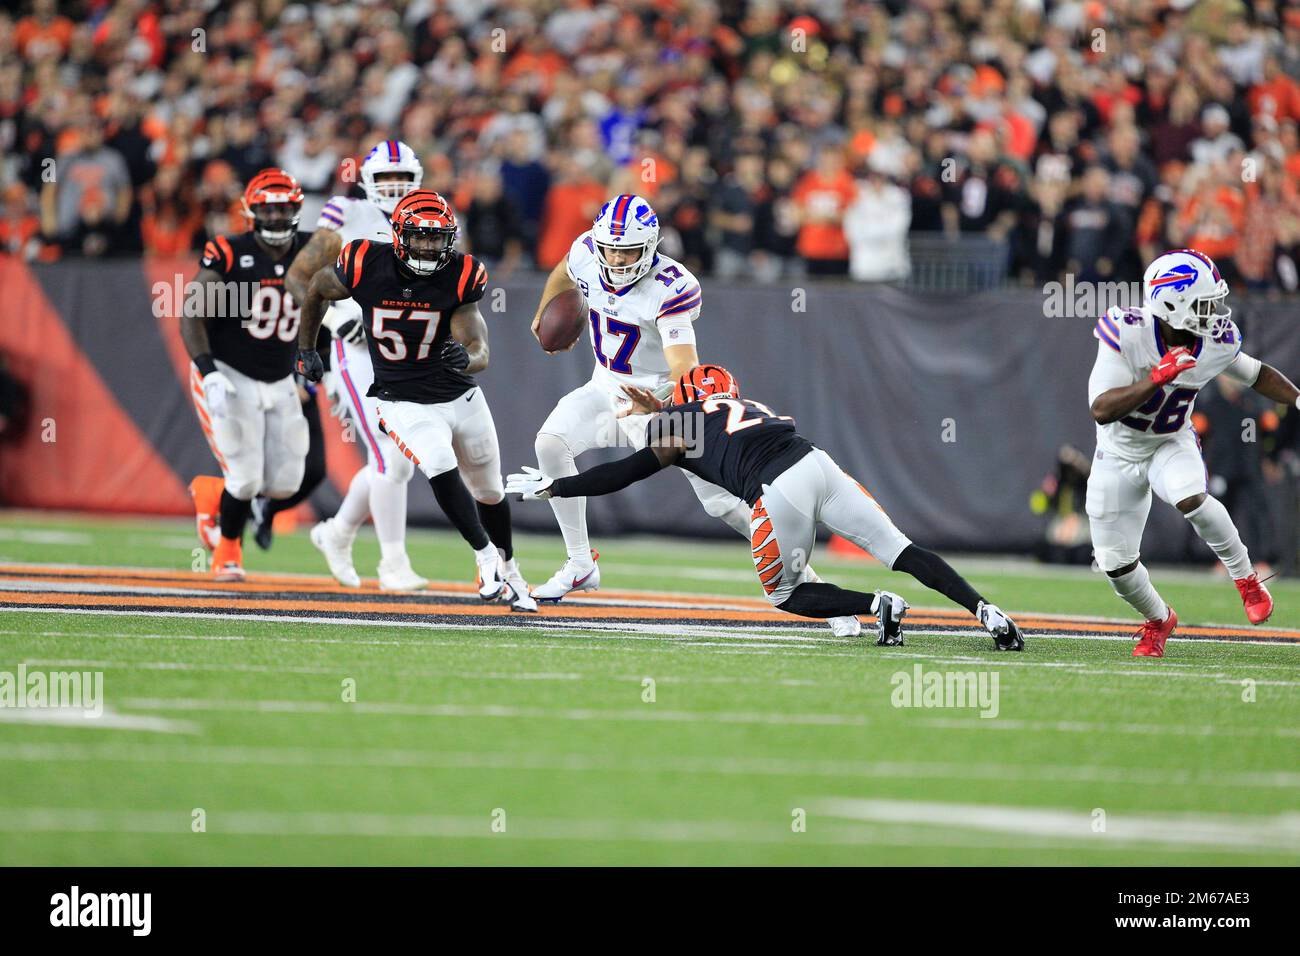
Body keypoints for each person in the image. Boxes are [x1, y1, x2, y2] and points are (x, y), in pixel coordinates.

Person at [527, 193, 862, 637]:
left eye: (629, 249)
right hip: (605, 386)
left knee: (724, 503)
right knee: (549, 444)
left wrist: (667, 408)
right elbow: (563, 271)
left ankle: (822, 596)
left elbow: (684, 364)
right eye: (612, 248)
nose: (618, 258)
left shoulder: (671, 285)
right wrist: (543, 315)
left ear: (651, 247)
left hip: (663, 396)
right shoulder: (588, 250)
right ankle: (580, 563)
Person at [506, 365, 1025, 651]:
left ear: (681, 396)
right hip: (818, 462)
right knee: (901, 548)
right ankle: (985, 610)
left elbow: (625, 472)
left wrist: (558, 487)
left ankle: (875, 607)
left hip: (778, 489)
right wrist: (665, 410)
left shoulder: (678, 422)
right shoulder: (747, 406)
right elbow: (704, 419)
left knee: (784, 594)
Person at [295, 189, 534, 611]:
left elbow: (479, 345)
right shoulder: (365, 261)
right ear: (399, 234)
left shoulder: (461, 274)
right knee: (436, 463)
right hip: (399, 398)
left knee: (491, 492)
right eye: (420, 237)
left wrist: (470, 357)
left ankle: (510, 568)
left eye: (437, 238)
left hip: (459, 396)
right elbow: (314, 288)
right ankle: (483, 556)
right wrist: (308, 348)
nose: (428, 246)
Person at [1086, 248, 1300, 657]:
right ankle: (1158, 620)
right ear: (1172, 304)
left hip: (1170, 442)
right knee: (1115, 566)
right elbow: (1102, 409)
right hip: (1117, 452)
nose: (1217, 311)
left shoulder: (1215, 342)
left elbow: (1256, 374)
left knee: (1191, 497)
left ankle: (1247, 580)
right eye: (1206, 304)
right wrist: (1156, 378)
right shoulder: (1126, 330)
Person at [286, 140, 428, 591]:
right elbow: (298, 277)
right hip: (357, 353)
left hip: (406, 352)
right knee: (391, 456)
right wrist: (337, 319)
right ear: (367, 180)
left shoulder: (430, 216)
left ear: (416, 180)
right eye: (385, 178)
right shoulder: (346, 213)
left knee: (397, 458)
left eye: (401, 179)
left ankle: (338, 532)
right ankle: (392, 563)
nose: (393, 187)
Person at [182, 169, 311, 581]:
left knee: (286, 483)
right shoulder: (229, 251)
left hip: (279, 376)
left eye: (284, 208)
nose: (276, 216)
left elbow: (329, 301)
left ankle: (211, 494)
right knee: (246, 476)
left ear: (298, 209)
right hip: (229, 371)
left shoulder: (310, 251)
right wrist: (208, 372)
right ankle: (227, 552)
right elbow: (193, 313)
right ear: (250, 212)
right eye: (268, 208)